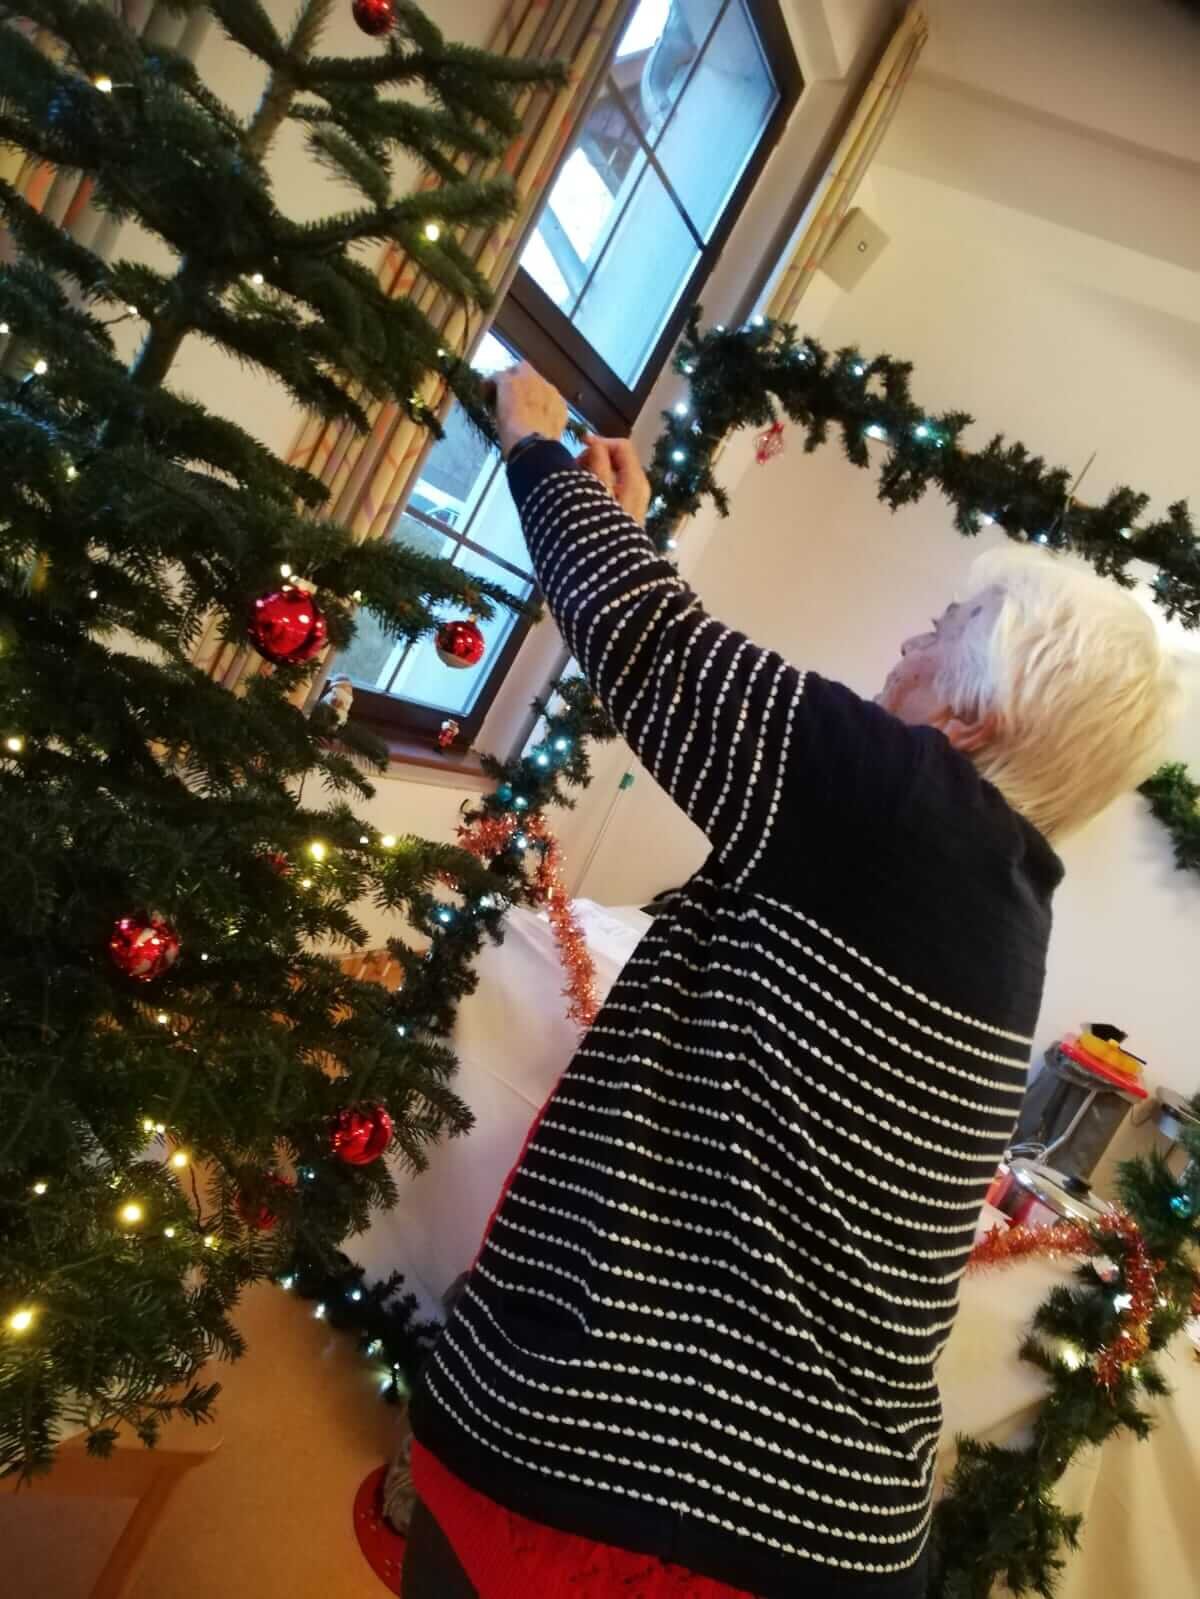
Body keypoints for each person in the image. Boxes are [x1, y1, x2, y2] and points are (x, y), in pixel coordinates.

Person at [403, 364, 1176, 1598]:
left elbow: (657, 650)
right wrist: (625, 524)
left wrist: (533, 449)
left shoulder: (911, 803)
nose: (906, 646)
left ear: (973, 711)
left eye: (939, 632)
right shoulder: (994, 895)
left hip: (656, 1498)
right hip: (813, 1529)